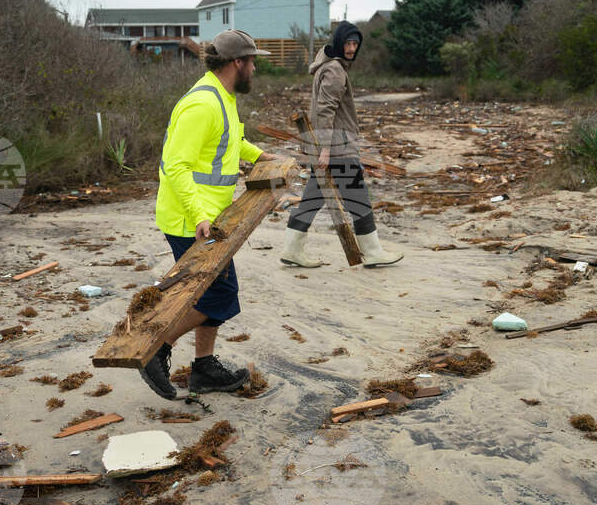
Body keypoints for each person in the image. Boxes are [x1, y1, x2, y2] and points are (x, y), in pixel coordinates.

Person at [142, 29, 280, 400]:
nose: (255, 68)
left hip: (211, 216)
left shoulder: (221, 97)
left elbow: (228, 143)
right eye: (252, 61)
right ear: (237, 63)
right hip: (192, 220)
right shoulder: (202, 104)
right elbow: (176, 164)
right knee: (220, 295)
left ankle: (203, 368)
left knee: (210, 295)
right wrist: (200, 215)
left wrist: (261, 157)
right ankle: (157, 347)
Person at [280, 20, 404, 269]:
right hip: (338, 148)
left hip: (330, 146)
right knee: (358, 199)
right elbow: (326, 110)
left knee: (312, 199)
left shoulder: (327, 66)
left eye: (355, 43)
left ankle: (292, 249)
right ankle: (372, 252)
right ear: (338, 43)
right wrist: (326, 148)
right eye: (347, 43)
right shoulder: (335, 70)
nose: (351, 48)